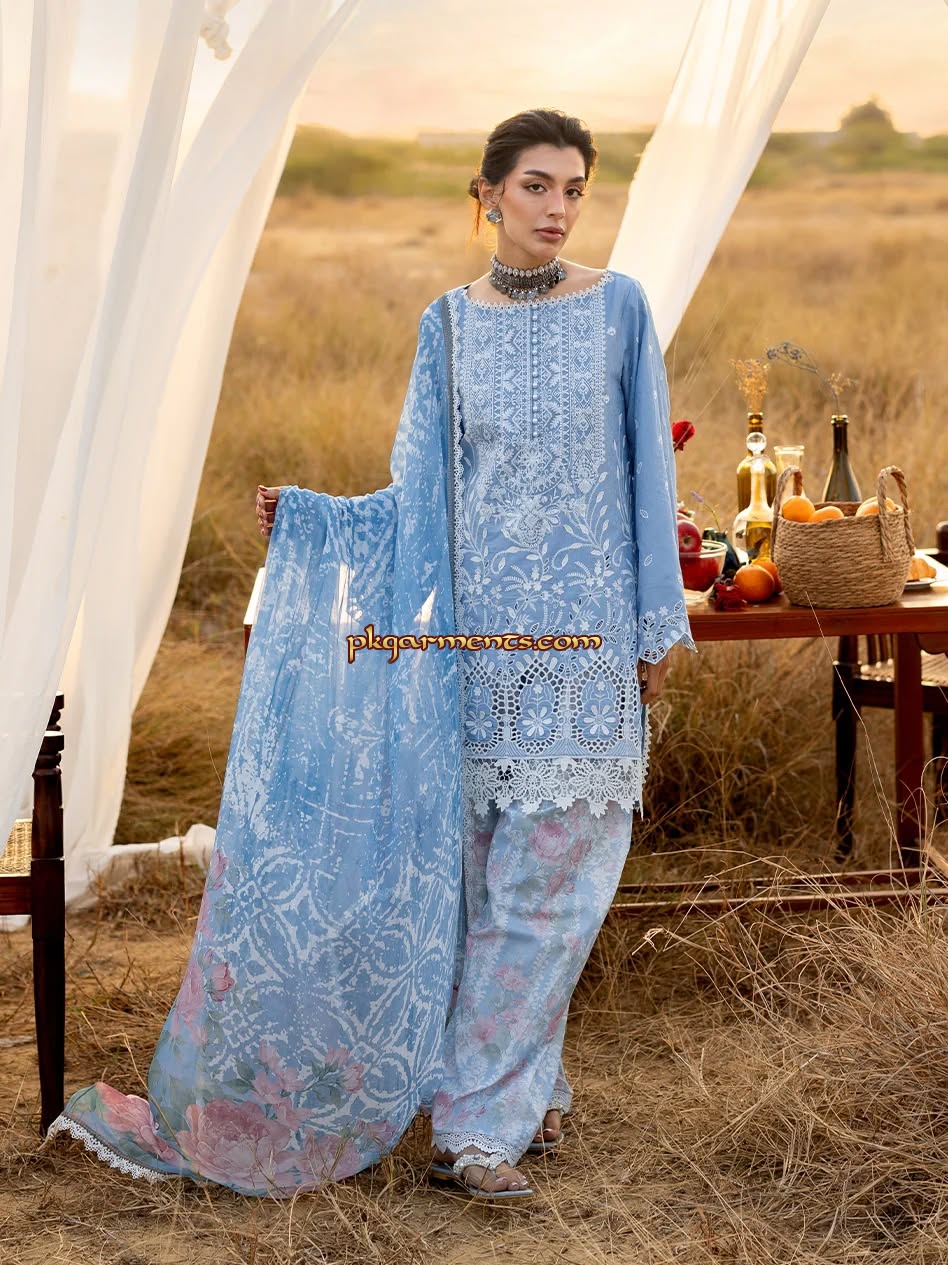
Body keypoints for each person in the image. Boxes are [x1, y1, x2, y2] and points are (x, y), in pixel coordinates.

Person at [49, 108, 694, 1203]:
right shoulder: (447, 326)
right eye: (536, 186)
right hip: (468, 651)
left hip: (583, 651)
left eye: (576, 189)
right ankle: (513, 1097)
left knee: (554, 894)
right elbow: (417, 495)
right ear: (486, 195)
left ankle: (477, 1127)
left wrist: (654, 626)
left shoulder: (619, 309)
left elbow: (649, 479)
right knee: (478, 894)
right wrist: (315, 519)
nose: (559, 209)